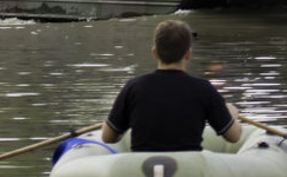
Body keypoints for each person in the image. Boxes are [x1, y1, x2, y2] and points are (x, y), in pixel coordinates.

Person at [102, 20, 242, 152]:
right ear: (188, 54)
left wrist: (122, 123)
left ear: (155, 53)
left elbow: (108, 137)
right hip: (188, 171)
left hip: (142, 173)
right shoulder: (204, 89)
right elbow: (233, 137)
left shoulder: (133, 87)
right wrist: (232, 116)